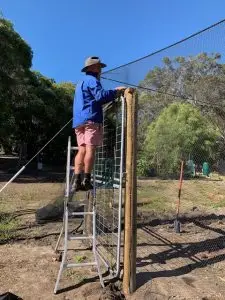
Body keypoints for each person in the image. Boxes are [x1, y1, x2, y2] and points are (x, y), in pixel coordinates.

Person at [72, 56, 134, 192]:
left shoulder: (79, 83)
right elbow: (101, 96)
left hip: (78, 121)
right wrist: (116, 91)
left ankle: (76, 181)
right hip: (91, 119)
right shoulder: (93, 81)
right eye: (99, 67)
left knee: (81, 150)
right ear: (92, 68)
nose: (100, 70)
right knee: (90, 149)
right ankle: (87, 180)